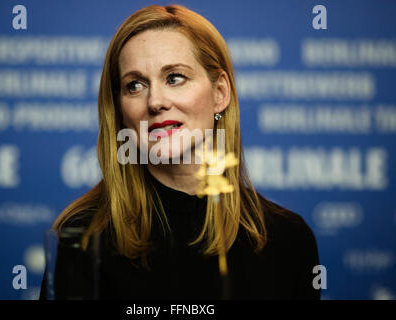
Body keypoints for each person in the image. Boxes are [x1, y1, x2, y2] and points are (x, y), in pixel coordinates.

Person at [40, 4, 320, 300]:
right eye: (134, 85)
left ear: (220, 93)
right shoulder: (83, 237)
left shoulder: (288, 238)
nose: (155, 101)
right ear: (121, 111)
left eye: (174, 78)